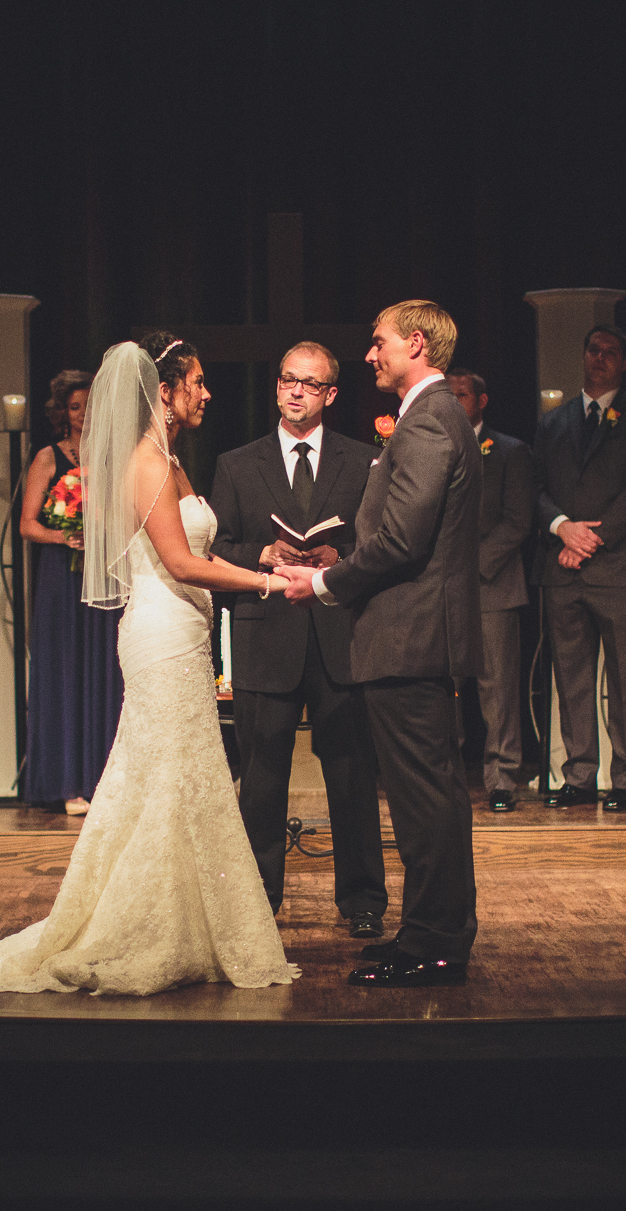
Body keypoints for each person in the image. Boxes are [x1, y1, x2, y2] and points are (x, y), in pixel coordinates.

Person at [0, 336, 297, 995]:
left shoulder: (170, 457)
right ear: (164, 390)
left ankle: (186, 925)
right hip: (162, 634)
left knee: (181, 781)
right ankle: (141, 927)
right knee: (165, 780)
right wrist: (267, 584)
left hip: (184, 632)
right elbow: (180, 563)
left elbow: (195, 549)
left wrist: (258, 558)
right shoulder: (146, 461)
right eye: (196, 382)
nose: (207, 393)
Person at [281, 300, 482, 989]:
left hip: (411, 636)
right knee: (428, 797)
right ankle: (430, 933)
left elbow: (401, 539)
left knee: (425, 800)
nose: (370, 355)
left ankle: (436, 944)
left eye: (378, 342)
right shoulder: (434, 416)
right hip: (412, 634)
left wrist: (324, 583)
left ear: (416, 344)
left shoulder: (428, 420)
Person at [210, 341, 386, 936]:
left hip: (341, 636)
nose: (295, 391)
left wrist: (342, 557)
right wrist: (261, 553)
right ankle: (257, 901)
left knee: (351, 775)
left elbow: (381, 543)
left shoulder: (364, 460)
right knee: (262, 776)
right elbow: (216, 546)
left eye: (309, 384)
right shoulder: (238, 463)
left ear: (330, 394)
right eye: (288, 379)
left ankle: (363, 901)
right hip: (266, 635)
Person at [533, 325, 626, 813]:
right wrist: (562, 527)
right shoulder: (555, 421)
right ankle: (579, 775)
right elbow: (535, 487)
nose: (600, 357)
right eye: (593, 349)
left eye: (611, 351)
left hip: (621, 567)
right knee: (571, 678)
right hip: (563, 568)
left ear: (624, 363)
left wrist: (590, 538)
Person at [21, 369, 123, 817]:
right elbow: (27, 525)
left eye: (90, 405)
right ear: (63, 411)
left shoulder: (115, 456)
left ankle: (106, 779)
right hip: (62, 578)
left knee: (104, 671)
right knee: (65, 673)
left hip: (105, 574)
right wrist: (64, 536)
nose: (83, 414)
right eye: (75, 406)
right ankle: (66, 783)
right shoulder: (48, 457)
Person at [446, 366, 535, 812]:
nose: (454, 401)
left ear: (481, 401)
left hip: (492, 586)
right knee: (443, 687)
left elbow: (518, 519)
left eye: (461, 394)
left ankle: (502, 778)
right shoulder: (436, 446)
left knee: (497, 689)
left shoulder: (509, 451)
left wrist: (473, 565)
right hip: (443, 589)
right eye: (448, 394)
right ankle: (445, 776)